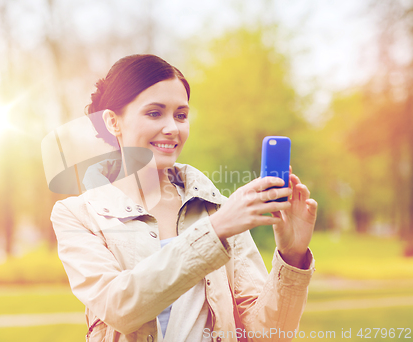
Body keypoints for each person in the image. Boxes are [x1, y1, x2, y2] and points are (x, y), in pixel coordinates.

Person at [50, 54, 318, 342]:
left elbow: (266, 335)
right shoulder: (78, 215)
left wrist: (292, 257)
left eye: (181, 115)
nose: (172, 128)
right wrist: (215, 231)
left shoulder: (219, 209)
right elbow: (120, 307)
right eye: (154, 113)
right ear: (113, 122)